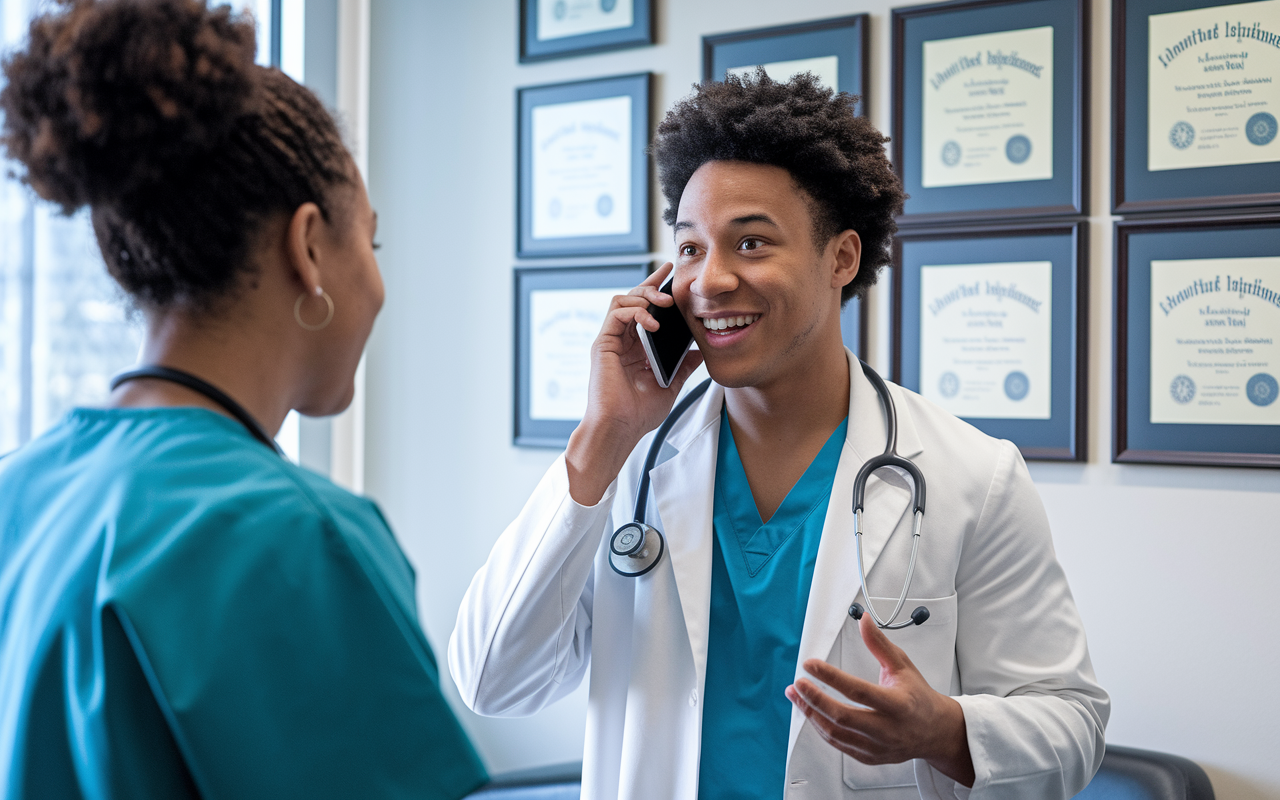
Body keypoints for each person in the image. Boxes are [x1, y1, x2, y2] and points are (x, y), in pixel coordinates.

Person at [449, 71, 1108, 800]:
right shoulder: (625, 463)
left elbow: (1071, 724)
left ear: (842, 259)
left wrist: (945, 729)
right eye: (691, 248)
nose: (710, 282)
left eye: (752, 243)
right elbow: (490, 680)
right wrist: (602, 435)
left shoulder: (972, 477)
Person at [0, 1, 486, 798]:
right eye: (371, 240)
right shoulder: (293, 538)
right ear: (308, 248)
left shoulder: (18, 489)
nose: (378, 281)